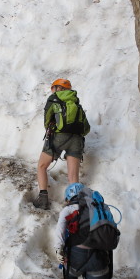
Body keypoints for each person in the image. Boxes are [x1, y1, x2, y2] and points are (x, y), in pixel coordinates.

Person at [32, 78, 90, 210]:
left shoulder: (54, 99)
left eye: (53, 88)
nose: (52, 91)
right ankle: (75, 206)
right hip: (77, 140)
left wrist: (53, 128)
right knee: (73, 176)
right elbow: (86, 128)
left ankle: (43, 198)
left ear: (57, 88)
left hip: (58, 137)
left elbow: (47, 120)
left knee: (42, 166)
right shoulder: (76, 103)